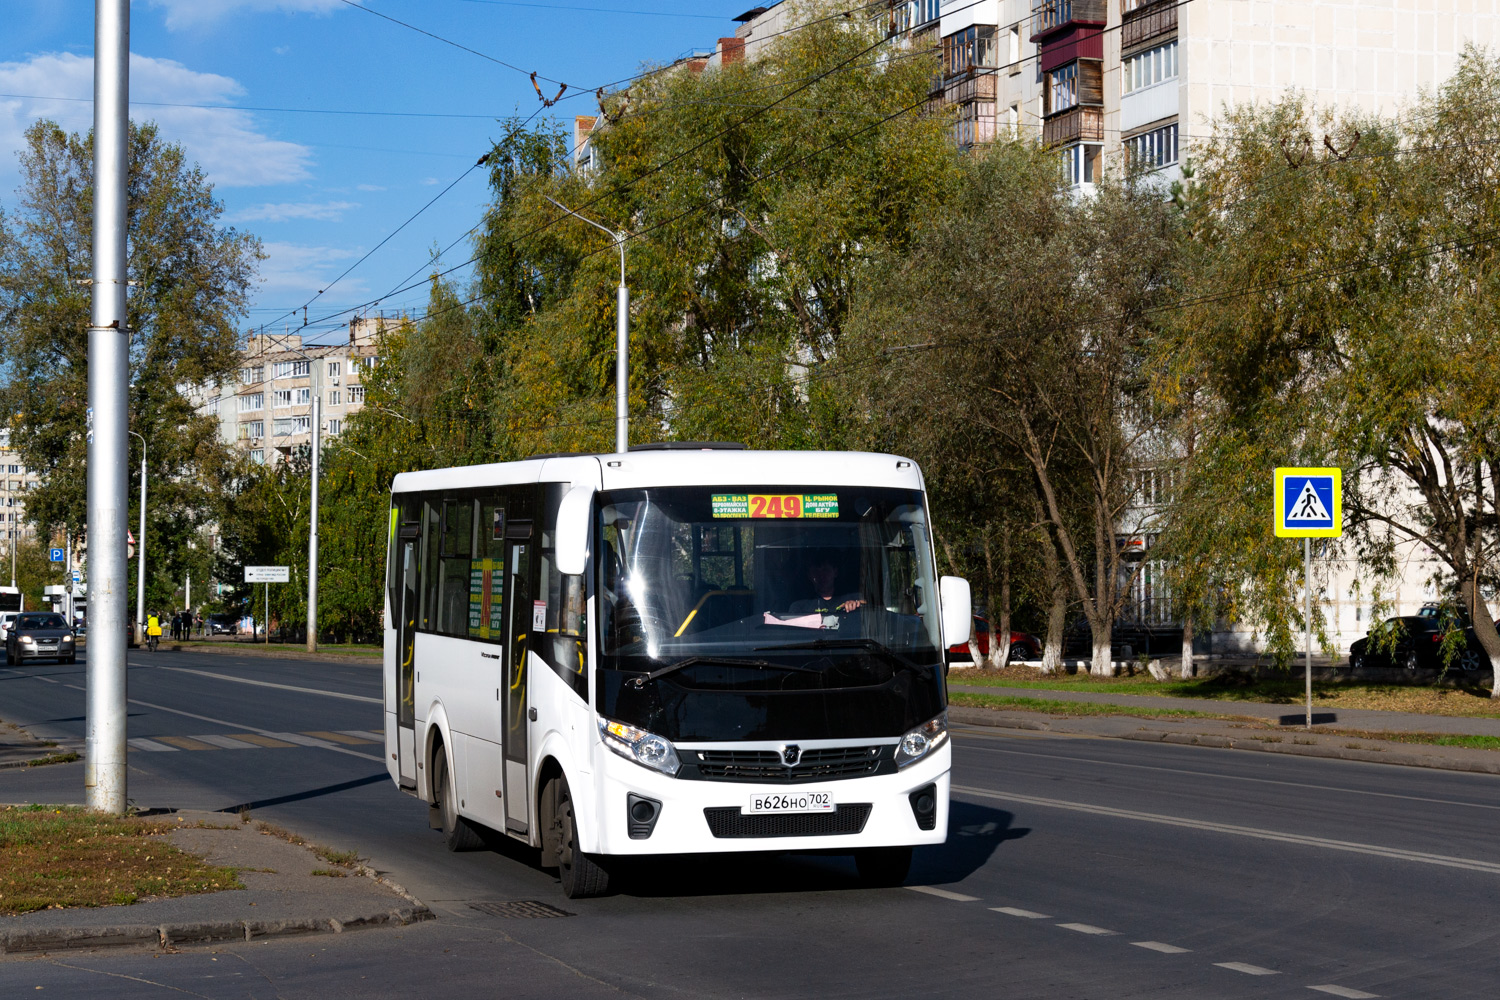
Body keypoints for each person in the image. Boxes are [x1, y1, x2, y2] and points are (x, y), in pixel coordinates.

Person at [789, 558, 864, 615]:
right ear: (809, 576)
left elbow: (872, 607)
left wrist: (856, 605)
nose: (821, 576)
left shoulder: (853, 597)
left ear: (835, 572)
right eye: (816, 572)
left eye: (825, 570)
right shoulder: (800, 606)